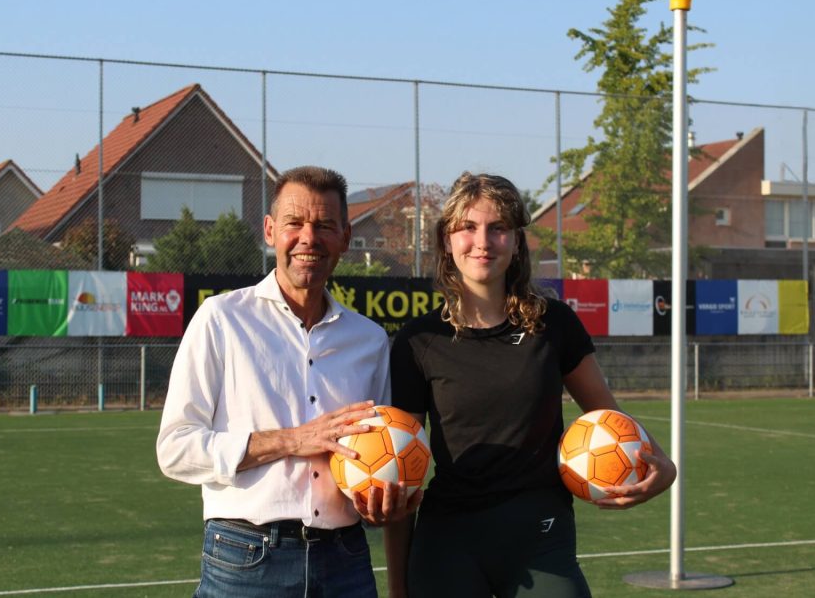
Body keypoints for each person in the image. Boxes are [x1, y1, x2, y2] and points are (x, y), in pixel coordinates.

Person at [384, 172, 677, 598]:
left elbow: (609, 416)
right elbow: (401, 471)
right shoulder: (418, 341)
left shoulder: (554, 324)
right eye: (468, 227)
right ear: (447, 240)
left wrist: (663, 466)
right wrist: (398, 587)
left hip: (541, 534)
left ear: (517, 241)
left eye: (498, 228)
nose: (482, 241)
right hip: (449, 538)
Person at [157, 165, 416, 598]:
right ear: (270, 231)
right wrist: (293, 439)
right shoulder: (221, 320)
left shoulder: (369, 339)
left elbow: (371, 457)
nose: (308, 238)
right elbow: (175, 449)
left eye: (325, 225)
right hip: (245, 558)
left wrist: (377, 505)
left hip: (346, 560)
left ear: (346, 237)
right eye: (294, 223)